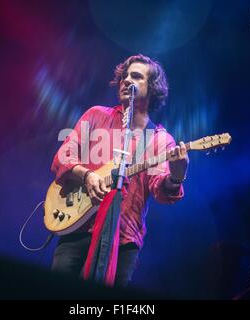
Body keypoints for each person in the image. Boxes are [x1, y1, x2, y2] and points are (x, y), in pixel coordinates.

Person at [50, 54, 189, 287]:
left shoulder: (160, 140)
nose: (126, 80)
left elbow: (161, 190)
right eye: (124, 76)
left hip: (122, 241)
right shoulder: (96, 115)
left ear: (152, 88)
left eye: (135, 76)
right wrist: (87, 175)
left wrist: (176, 175)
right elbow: (63, 156)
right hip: (77, 225)